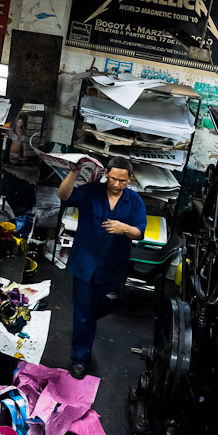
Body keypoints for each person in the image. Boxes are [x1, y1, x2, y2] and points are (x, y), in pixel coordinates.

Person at [57, 156, 147, 379]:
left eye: (123, 181)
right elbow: (64, 196)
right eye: (114, 178)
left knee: (108, 305)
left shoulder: (134, 201)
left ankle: (86, 321)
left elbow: (139, 232)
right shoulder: (91, 192)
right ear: (106, 173)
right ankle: (79, 358)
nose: (117, 184)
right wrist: (73, 173)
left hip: (113, 266)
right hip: (85, 262)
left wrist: (124, 227)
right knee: (84, 313)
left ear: (130, 179)